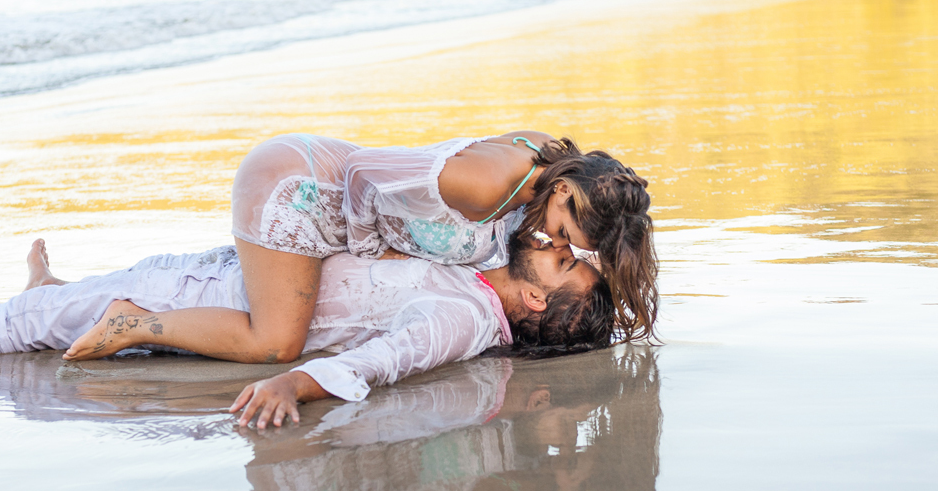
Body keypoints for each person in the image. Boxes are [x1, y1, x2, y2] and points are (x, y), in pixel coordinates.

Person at [0, 232, 613, 428]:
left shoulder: (464, 314)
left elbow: (385, 359)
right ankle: (56, 290)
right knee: (72, 309)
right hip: (230, 272)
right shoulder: (481, 255)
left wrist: (294, 380)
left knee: (33, 329)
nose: (557, 247)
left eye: (571, 262)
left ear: (540, 308)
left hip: (214, 295)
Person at [58, 132, 655, 367]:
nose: (557, 244)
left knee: (211, 282)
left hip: (328, 206)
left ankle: (54, 297)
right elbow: (367, 172)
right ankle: (134, 324)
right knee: (276, 341)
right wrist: (376, 252)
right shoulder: (489, 186)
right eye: (569, 238)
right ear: (569, 192)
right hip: (302, 194)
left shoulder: (538, 179)